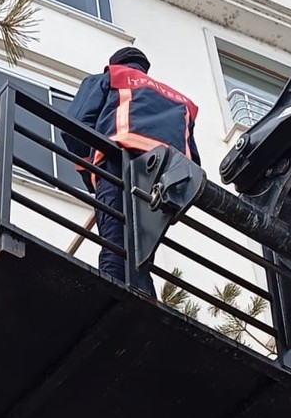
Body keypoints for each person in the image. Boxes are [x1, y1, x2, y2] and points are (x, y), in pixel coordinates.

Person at [62, 47, 201, 297]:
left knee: (116, 246)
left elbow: (75, 128)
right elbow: (194, 159)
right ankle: (144, 303)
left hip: (120, 162)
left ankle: (113, 302)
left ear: (115, 63)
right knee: (141, 254)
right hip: (168, 178)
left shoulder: (110, 78)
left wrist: (92, 173)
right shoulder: (180, 101)